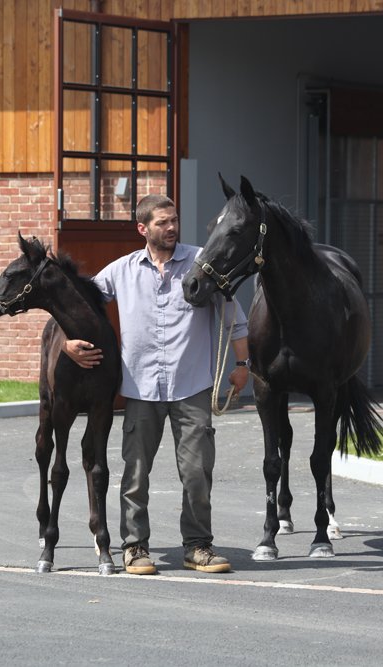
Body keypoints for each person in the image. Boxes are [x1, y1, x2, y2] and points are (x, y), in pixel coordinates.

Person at [63, 193, 250, 575]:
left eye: (174, 220)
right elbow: (79, 305)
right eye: (162, 222)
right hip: (141, 389)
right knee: (135, 474)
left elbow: (234, 314)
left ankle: (198, 547)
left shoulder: (201, 262)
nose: (171, 227)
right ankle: (134, 547)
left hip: (192, 386)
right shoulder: (121, 271)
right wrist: (67, 343)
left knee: (197, 473)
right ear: (142, 228)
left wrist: (243, 364)